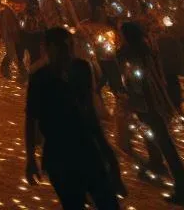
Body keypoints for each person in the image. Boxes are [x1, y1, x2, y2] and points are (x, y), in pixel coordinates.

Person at [25, 27, 125, 210]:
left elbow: (90, 115)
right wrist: (30, 158)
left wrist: (108, 156)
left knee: (108, 203)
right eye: (61, 47)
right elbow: (31, 119)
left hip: (87, 148)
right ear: (47, 48)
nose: (67, 52)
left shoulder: (81, 69)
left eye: (70, 46)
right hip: (59, 155)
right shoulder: (40, 78)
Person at [117, 20, 184, 204]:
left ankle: (182, 190)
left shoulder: (133, 56)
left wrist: (132, 102)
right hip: (153, 104)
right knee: (155, 139)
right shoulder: (146, 50)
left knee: (166, 145)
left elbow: (139, 83)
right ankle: (156, 163)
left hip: (149, 106)